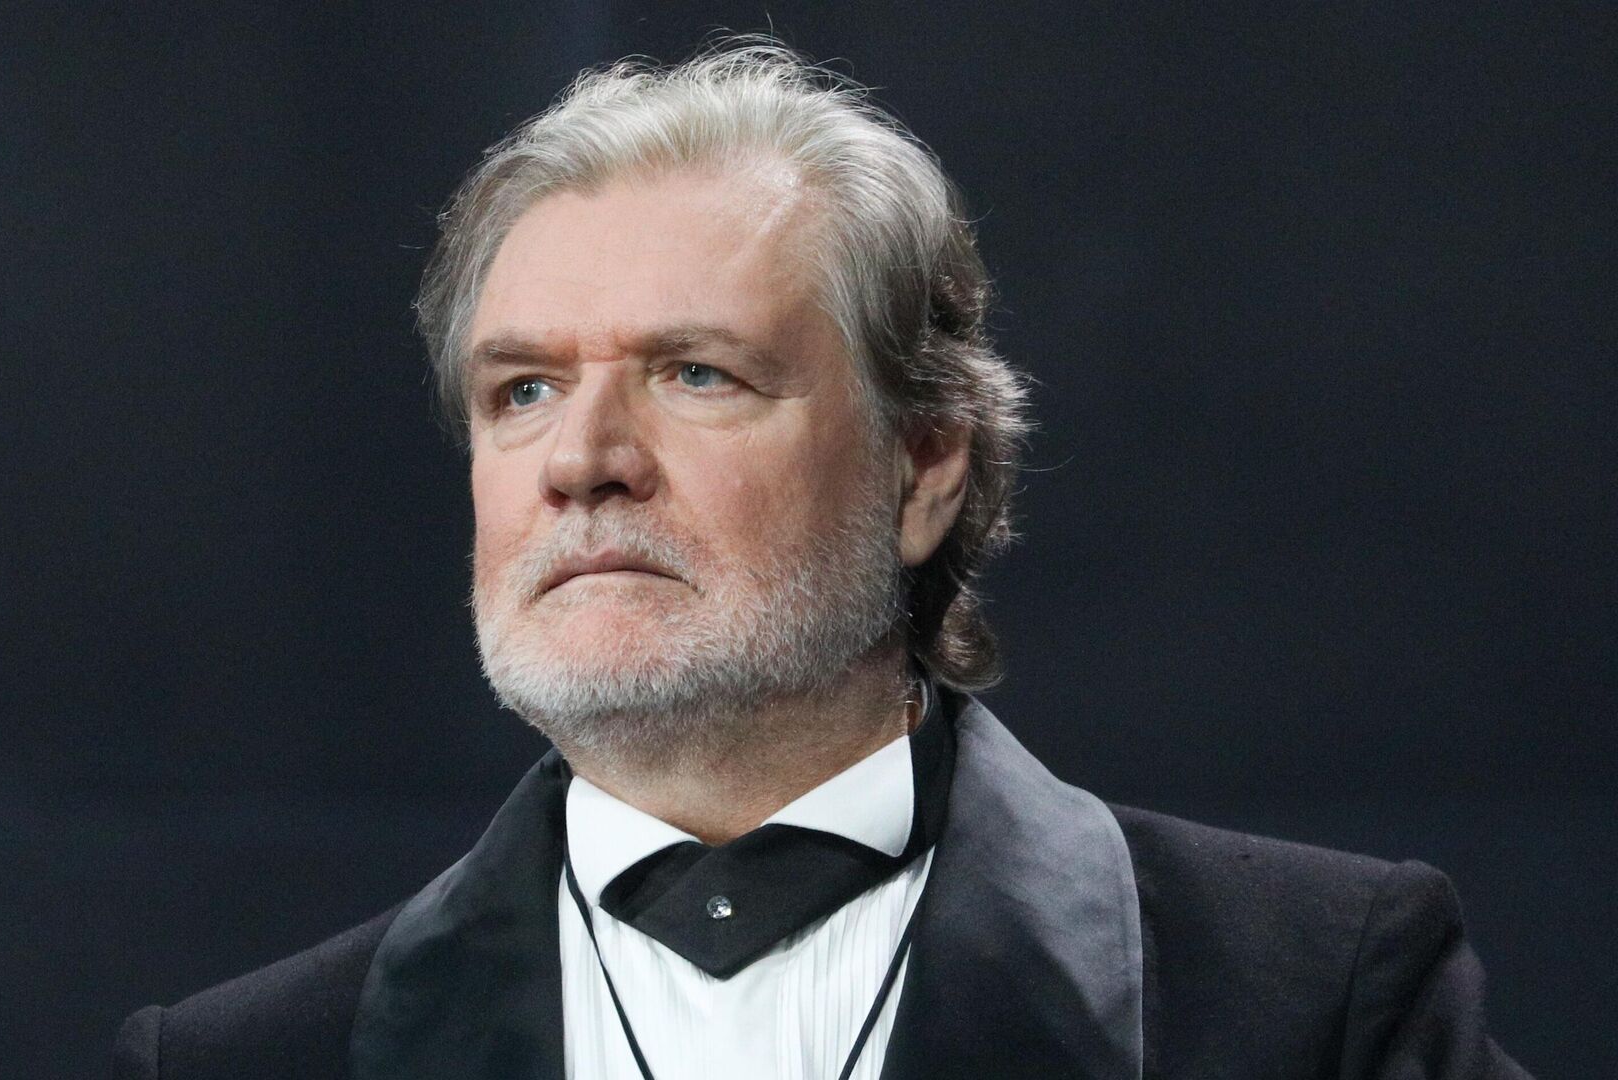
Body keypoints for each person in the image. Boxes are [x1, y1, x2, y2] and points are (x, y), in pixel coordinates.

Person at [112, 42, 1529, 1079]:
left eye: (698, 373)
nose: (581, 459)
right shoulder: (235, 1062)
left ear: (924, 467)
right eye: (522, 390)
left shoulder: (1321, 998)